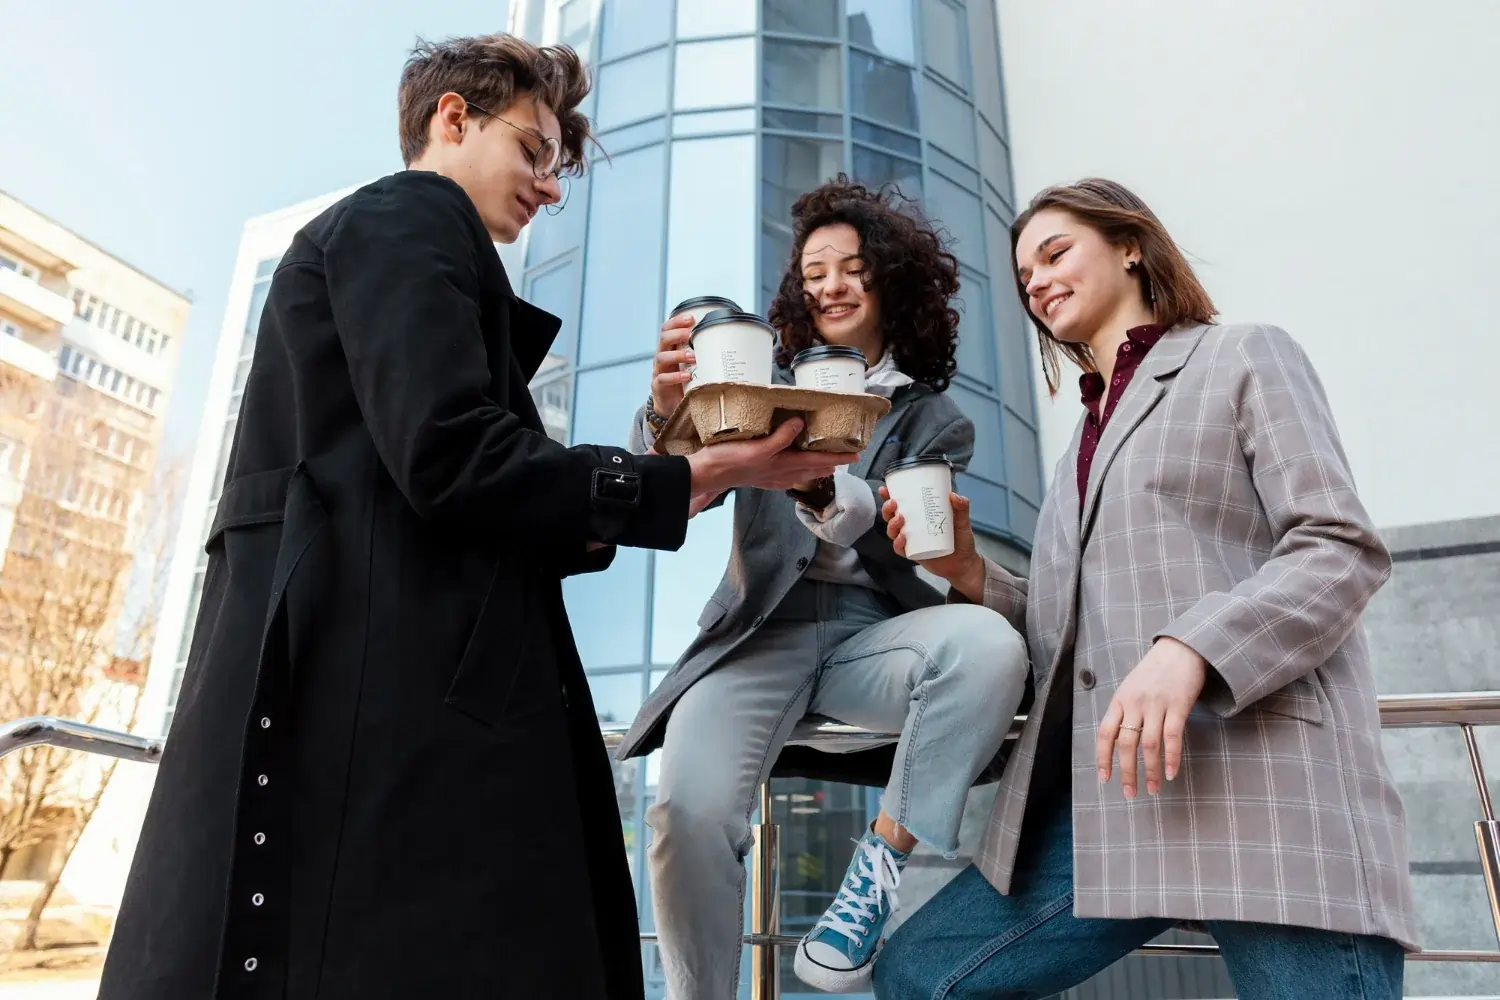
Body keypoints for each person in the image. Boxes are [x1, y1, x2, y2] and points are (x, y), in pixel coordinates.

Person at [98, 35, 854, 1000]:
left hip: (388, 679)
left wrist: (681, 462)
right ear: (452, 117)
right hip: (380, 691)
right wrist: (682, 478)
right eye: (535, 150)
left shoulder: (413, 245)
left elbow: (474, 486)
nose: (549, 186)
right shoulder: (408, 214)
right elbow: (451, 453)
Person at [871, 178, 1414, 999]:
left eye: (1055, 253)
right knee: (922, 974)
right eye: (1025, 276)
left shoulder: (1243, 355)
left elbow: (1339, 547)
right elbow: (1068, 637)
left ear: (1130, 245)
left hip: (1263, 781)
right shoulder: (1078, 448)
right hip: (1120, 801)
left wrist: (1193, 646)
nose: (1037, 282)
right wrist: (971, 573)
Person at [613, 178, 1030, 997]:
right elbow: (674, 486)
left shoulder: (933, 417)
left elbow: (910, 530)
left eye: (851, 268)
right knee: (684, 815)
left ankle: (873, 880)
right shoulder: (756, 387)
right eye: (813, 273)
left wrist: (833, 493)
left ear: (890, 280)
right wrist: (663, 411)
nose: (830, 286)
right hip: (758, 634)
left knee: (990, 642)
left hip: (874, 637)